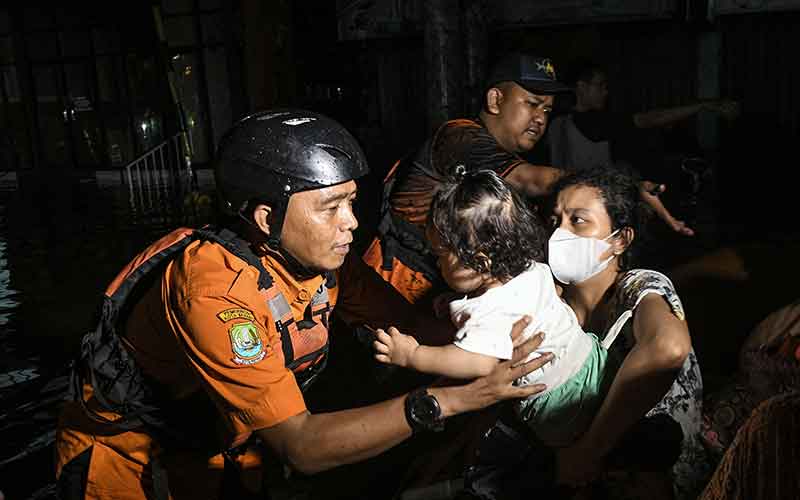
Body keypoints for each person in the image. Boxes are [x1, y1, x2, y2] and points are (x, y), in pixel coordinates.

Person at [53, 109, 555, 500]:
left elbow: (412, 325)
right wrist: (460, 397)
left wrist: (499, 335)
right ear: (267, 217)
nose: (352, 223)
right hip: (129, 462)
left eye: (352, 203)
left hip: (217, 446)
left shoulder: (325, 261)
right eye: (330, 207)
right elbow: (303, 445)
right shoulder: (215, 292)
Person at [363, 52, 695, 308]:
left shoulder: (505, 163)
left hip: (436, 294)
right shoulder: (460, 138)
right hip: (390, 292)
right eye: (532, 104)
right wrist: (623, 187)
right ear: (495, 100)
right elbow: (534, 181)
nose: (540, 118)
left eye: (548, 110)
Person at [373, 168, 617, 449]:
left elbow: (478, 361)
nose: (437, 264)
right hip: (593, 361)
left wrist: (414, 355)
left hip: (562, 401)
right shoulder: (532, 269)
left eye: (440, 255)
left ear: (480, 262)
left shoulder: (487, 311)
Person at [547, 166, 709, 500]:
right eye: (554, 221)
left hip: (662, 481)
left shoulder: (640, 287)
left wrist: (589, 451)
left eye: (577, 220)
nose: (558, 234)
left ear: (620, 239)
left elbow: (668, 348)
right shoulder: (552, 306)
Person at [546, 58, 739, 234]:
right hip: (590, 212)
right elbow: (647, 119)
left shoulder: (555, 121)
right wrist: (703, 106)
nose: (605, 91)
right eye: (600, 85)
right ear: (581, 87)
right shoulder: (591, 122)